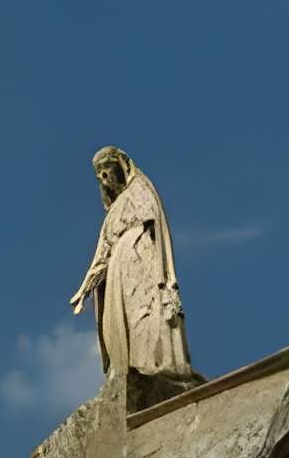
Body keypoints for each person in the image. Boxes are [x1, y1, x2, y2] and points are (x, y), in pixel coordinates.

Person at [70, 146, 195, 383]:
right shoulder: (114, 210)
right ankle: (127, 368)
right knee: (118, 322)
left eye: (106, 168)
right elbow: (103, 252)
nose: (103, 177)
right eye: (98, 173)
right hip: (118, 270)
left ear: (120, 164)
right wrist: (85, 287)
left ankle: (153, 363)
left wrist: (164, 279)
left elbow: (154, 227)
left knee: (143, 313)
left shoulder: (139, 190)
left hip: (140, 263)